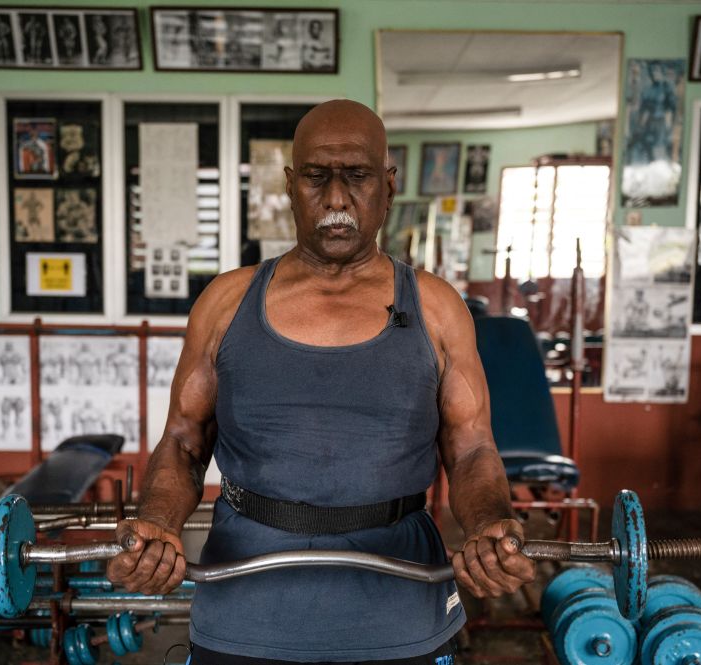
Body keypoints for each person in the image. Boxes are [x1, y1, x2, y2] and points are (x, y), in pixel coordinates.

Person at [107, 99, 535, 664]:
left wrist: (487, 527)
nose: (336, 200)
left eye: (356, 176)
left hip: (398, 606)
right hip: (245, 605)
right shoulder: (226, 303)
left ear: (387, 183)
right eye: (316, 177)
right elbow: (185, 440)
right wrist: (157, 525)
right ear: (290, 184)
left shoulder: (436, 308)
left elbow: (472, 446)